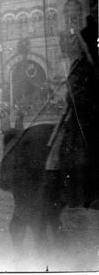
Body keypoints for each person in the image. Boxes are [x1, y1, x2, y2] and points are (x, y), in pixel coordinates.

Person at [47, 15, 99, 207]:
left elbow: (77, 96)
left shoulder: (82, 65)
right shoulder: (82, 64)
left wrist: (72, 96)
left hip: (88, 114)